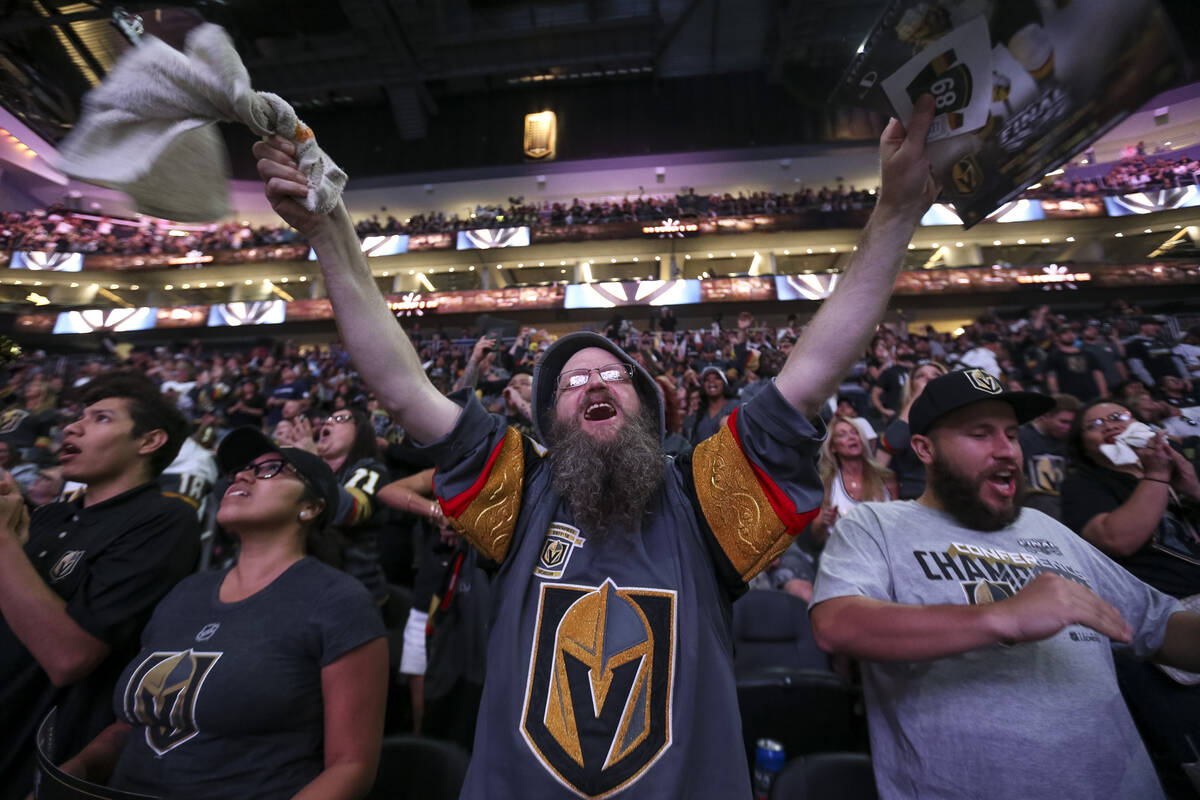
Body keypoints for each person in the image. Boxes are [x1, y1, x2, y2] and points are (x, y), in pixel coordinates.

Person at [254, 94, 941, 798]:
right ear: (548, 425)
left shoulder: (706, 498)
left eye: (613, 374)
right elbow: (403, 391)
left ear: (649, 407)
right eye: (572, 382)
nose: (592, 382)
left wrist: (895, 212)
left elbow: (809, 376)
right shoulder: (518, 494)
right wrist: (330, 229)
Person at [810, 369, 1200, 799]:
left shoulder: (1045, 527)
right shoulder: (877, 523)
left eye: (1012, 435)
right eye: (981, 434)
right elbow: (837, 623)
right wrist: (1003, 616)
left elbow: (1158, 625)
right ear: (924, 449)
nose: (1006, 451)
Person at [55, 428, 388, 798]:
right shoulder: (185, 593)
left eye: (271, 469)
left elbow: (350, 767)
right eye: (240, 470)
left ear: (311, 507)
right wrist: (73, 771)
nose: (242, 476)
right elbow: (136, 725)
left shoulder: (339, 601)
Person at [0, 373, 200, 799]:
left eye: (101, 418)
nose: (72, 426)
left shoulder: (164, 519)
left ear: (148, 442)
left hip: (38, 749)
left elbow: (69, 657)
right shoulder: (51, 515)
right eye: (77, 417)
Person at [1061, 400, 1200, 598]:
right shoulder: (1081, 485)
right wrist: (1157, 475)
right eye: (1095, 425)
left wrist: (1195, 490)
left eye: (1119, 417)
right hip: (1171, 601)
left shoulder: (1180, 464)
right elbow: (1117, 541)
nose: (1110, 425)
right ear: (1083, 446)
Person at [809, 416, 897, 548]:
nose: (851, 437)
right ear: (833, 447)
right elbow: (816, 539)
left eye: (855, 433)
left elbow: (897, 526)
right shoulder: (826, 483)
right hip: (841, 556)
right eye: (842, 435)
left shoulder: (886, 477)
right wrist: (824, 522)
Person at [877, 361, 947, 499]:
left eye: (936, 375)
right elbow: (884, 455)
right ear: (911, 385)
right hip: (912, 496)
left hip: (949, 496)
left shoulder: (957, 419)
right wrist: (918, 397)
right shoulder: (901, 420)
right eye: (920, 376)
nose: (928, 378)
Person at [1018, 393, 1080, 519]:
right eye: (1063, 422)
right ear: (1045, 416)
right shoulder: (1021, 439)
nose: (1068, 428)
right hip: (1033, 508)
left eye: (1071, 424)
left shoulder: (1071, 441)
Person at [683, 365, 739, 446]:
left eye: (717, 378)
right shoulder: (700, 414)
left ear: (724, 383)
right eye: (707, 380)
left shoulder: (736, 405)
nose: (711, 382)